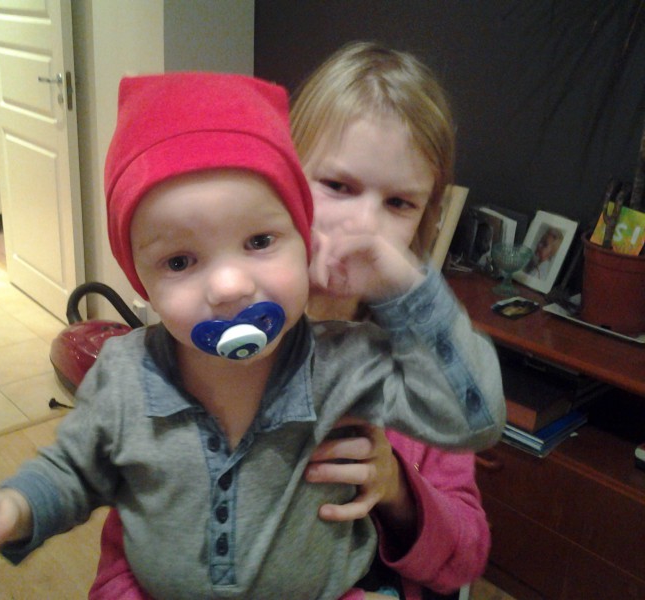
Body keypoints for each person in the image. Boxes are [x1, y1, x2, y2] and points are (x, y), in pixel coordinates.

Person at [0, 72, 504, 599]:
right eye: (180, 261)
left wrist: (409, 291)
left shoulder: (354, 363)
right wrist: (13, 507)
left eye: (259, 242)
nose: (229, 286)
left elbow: (472, 422)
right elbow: (77, 472)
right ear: (143, 281)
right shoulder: (127, 375)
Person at [91, 43, 500, 600]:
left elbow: (467, 556)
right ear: (281, 178)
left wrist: (396, 489)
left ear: (425, 218)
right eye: (338, 186)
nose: (364, 227)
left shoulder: (426, 359)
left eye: (399, 203)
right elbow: (128, 553)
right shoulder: (203, 340)